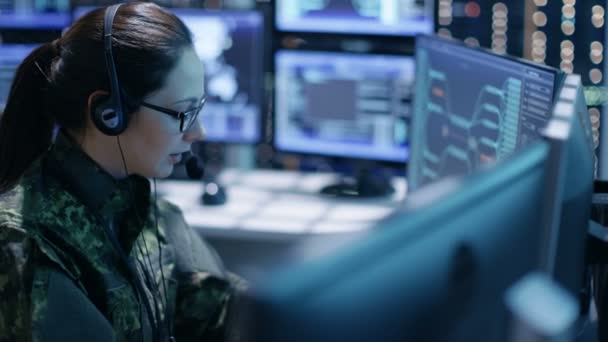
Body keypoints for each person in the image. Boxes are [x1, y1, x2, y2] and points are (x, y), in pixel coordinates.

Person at [0, 2, 245, 341]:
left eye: (198, 109)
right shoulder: (26, 245)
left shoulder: (148, 213)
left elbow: (228, 313)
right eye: (182, 113)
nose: (197, 132)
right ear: (108, 112)